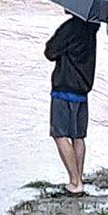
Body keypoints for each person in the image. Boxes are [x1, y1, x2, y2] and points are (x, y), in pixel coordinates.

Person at [44, 13, 100, 197]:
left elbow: (50, 52)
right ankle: (79, 179)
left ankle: (75, 182)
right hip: (82, 91)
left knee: (59, 134)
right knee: (78, 136)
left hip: (63, 89)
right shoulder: (92, 30)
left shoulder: (69, 28)